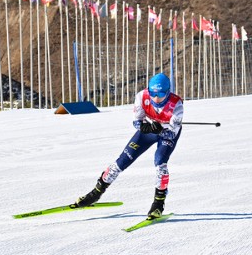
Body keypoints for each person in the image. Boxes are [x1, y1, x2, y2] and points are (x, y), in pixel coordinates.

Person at [72, 72, 184, 219]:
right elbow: (136, 122)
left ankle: (158, 203)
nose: (156, 98)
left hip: (166, 133)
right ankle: (96, 193)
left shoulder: (176, 104)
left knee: (160, 161)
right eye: (153, 94)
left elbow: (172, 133)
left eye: (161, 94)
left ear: (168, 92)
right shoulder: (142, 96)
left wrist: (161, 130)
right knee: (122, 161)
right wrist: (145, 127)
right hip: (148, 131)